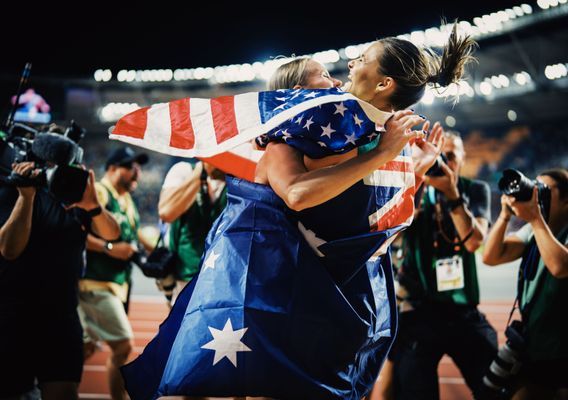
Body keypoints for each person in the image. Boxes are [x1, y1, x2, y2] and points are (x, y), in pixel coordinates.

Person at [122, 24, 476, 400]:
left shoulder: (372, 137)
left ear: (385, 84)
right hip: (273, 290)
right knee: (248, 386)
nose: (343, 73)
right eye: (323, 77)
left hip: (321, 298)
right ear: (298, 94)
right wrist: (383, 157)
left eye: (361, 60)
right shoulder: (297, 137)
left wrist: (409, 170)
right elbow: (297, 194)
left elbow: (373, 225)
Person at [386, 130, 497, 399]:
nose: (444, 163)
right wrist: (411, 196)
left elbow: (474, 242)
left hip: (462, 308)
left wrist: (452, 194)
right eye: (439, 156)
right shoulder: (414, 191)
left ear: (462, 158)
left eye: (450, 156)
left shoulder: (475, 189)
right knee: (413, 388)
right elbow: (388, 237)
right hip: (420, 310)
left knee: (494, 384)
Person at [0, 161, 120, 400]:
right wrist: (26, 196)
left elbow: (112, 233)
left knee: (64, 392)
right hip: (15, 315)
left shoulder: (74, 195)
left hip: (62, 314)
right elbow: (9, 249)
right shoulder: (14, 189)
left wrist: (94, 205)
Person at [482, 168, 568, 399]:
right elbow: (492, 256)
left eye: (544, 190)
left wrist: (535, 217)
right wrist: (506, 215)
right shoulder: (532, 231)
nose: (536, 193)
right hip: (538, 347)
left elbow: (561, 266)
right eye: (534, 187)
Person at [78, 146, 152, 400]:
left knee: (86, 347)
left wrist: (158, 251)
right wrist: (109, 248)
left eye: (138, 168)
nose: (137, 174)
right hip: (95, 282)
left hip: (116, 283)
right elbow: (76, 232)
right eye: (130, 167)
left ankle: (53, 382)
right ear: (111, 168)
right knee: (123, 345)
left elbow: (133, 234)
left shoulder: (126, 199)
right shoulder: (99, 191)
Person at [158, 160, 227, 305]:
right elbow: (166, 212)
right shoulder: (184, 171)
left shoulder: (240, 177)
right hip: (186, 278)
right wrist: (201, 171)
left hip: (225, 280)